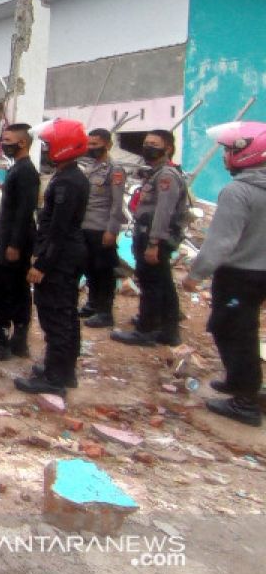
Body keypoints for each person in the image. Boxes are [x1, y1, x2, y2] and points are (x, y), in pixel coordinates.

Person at [182, 121, 266, 427]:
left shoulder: (238, 191)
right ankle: (236, 381)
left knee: (232, 332)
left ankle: (245, 402)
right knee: (242, 329)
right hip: (261, 273)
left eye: (230, 150)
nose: (225, 155)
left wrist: (196, 274)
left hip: (239, 273)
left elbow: (221, 241)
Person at [14, 119, 90, 395]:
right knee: (66, 314)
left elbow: (58, 229)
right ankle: (62, 369)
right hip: (66, 253)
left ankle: (55, 377)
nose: (45, 150)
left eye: (48, 145)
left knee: (55, 315)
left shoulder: (68, 182)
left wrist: (41, 264)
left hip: (60, 257)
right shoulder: (69, 175)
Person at [112, 130, 188, 347]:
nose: (148, 147)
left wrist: (154, 243)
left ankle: (146, 330)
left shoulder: (166, 176)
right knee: (162, 282)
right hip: (150, 236)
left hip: (154, 238)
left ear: (168, 149)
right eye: (146, 143)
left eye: (154, 144)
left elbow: (163, 213)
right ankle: (167, 328)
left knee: (151, 284)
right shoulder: (156, 173)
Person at [0, 124, 40, 361]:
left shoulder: (25, 172)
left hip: (15, 243)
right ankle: (18, 341)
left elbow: (24, 211)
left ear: (22, 143)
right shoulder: (19, 169)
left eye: (8, 140)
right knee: (18, 289)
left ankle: (2, 340)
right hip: (12, 240)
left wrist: (14, 245)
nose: (4, 144)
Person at [80, 129, 127, 329]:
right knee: (90, 267)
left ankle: (105, 312)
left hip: (102, 228)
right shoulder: (91, 167)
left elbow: (117, 204)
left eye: (95, 144)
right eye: (89, 144)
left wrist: (112, 230)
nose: (91, 148)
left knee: (104, 270)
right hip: (86, 226)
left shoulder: (114, 169)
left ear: (107, 145)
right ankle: (92, 303)